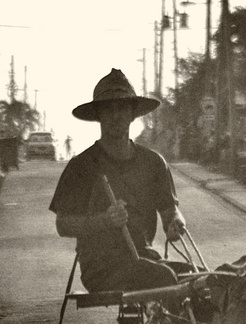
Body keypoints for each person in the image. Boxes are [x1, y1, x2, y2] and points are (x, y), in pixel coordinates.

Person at [50, 68, 187, 293]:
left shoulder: (153, 162)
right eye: (109, 109)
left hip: (145, 258)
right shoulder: (82, 166)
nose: (116, 115)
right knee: (164, 277)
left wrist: (175, 223)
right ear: (99, 115)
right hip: (101, 268)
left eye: (122, 108)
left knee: (199, 280)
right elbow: (63, 225)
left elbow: (169, 210)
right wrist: (104, 220)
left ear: (133, 114)